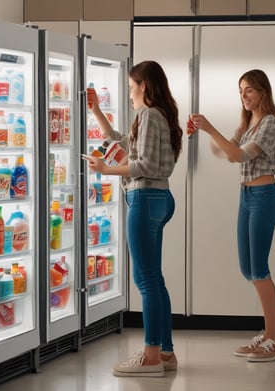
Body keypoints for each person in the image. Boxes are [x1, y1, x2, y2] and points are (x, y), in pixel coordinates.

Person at [188, 69, 275, 362]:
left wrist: (211, 130)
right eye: (241, 90)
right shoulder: (248, 123)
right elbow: (224, 150)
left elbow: (236, 155)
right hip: (247, 196)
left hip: (264, 197)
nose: (244, 96)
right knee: (249, 269)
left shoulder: (270, 123)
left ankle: (272, 337)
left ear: (262, 91)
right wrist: (204, 131)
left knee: (259, 269)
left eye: (249, 90)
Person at [85, 61, 183, 376]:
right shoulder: (155, 116)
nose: (129, 94)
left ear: (144, 85)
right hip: (159, 199)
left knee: (145, 280)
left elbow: (140, 165)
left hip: (144, 198)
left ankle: (150, 355)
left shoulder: (148, 115)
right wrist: (96, 110)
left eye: (130, 87)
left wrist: (105, 170)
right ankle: (165, 353)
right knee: (155, 279)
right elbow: (118, 140)